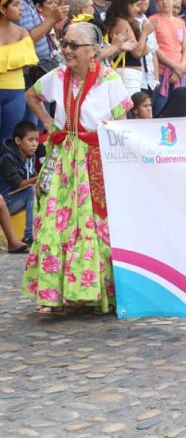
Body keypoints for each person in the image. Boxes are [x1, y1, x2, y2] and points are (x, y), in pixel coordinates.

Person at [22, 21, 133, 315]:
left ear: (94, 50)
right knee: (56, 220)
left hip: (95, 159)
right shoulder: (58, 76)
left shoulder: (109, 80)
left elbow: (123, 122)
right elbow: (31, 95)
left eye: (74, 45)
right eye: (64, 44)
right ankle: (54, 294)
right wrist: (48, 122)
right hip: (65, 159)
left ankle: (97, 293)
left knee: (94, 223)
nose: (67, 50)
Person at [0, 0, 39, 141]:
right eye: (16, 4)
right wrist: (12, 60)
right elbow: (20, 61)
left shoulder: (22, 31)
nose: (21, 8)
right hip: (14, 90)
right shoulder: (23, 34)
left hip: (15, 92)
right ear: (2, 9)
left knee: (9, 139)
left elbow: (28, 61)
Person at [104, 0, 156, 95]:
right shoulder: (121, 22)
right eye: (136, 5)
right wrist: (145, 32)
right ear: (127, 5)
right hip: (126, 76)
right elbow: (137, 52)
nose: (138, 10)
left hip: (131, 77)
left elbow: (145, 49)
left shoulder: (125, 21)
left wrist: (143, 42)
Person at [151, 0, 186, 116]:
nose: (164, 1)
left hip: (179, 73)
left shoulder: (180, 22)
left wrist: (180, 68)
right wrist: (176, 67)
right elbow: (155, 49)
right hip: (162, 73)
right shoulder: (152, 21)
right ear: (156, 1)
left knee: (179, 112)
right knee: (160, 111)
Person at [0, 119, 38, 244]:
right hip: (6, 203)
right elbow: (18, 184)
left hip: (17, 199)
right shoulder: (7, 158)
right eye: (31, 140)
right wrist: (39, 178)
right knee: (32, 191)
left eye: (36, 140)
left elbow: (33, 177)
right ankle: (29, 236)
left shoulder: (30, 156)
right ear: (18, 141)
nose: (35, 144)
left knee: (43, 190)